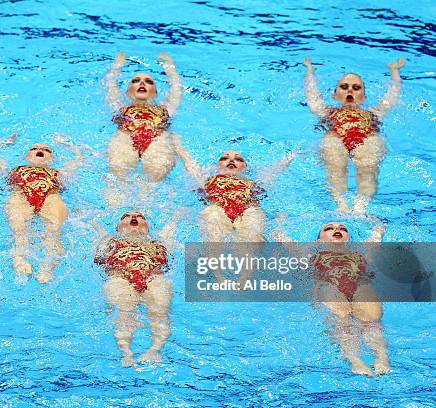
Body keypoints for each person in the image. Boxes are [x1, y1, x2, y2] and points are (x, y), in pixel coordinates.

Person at [273, 218, 390, 376]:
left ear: (348, 237)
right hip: (328, 286)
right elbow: (282, 238)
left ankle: (381, 357)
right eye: (329, 228)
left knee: (371, 322)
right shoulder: (308, 253)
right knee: (342, 321)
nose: (338, 229)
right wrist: (279, 222)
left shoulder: (361, 251)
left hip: (360, 285)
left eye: (343, 228)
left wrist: (376, 224)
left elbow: (377, 235)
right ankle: (354, 359)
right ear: (319, 239)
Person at [303, 57, 405, 213]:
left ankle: (360, 206)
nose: (350, 90)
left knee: (369, 155)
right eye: (344, 87)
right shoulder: (327, 112)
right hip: (336, 137)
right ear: (334, 95)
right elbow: (312, 96)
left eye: (356, 88)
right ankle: (341, 203)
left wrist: (394, 72)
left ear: (364, 97)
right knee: (332, 151)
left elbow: (391, 97)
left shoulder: (373, 113)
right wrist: (310, 72)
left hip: (366, 137)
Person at [0, 134, 82, 283]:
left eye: (46, 149)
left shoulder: (59, 173)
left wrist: (69, 145)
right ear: (26, 156)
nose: (40, 150)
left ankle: (46, 268)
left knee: (54, 231)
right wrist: (4, 142)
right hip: (20, 195)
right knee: (19, 228)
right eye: (34, 148)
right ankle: (19, 260)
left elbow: (78, 160)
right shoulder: (15, 170)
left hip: (51, 196)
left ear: (52, 158)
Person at [94, 211, 178, 367]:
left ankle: (154, 350)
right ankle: (126, 353)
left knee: (159, 309)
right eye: (125, 217)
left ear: (147, 226)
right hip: (119, 278)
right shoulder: (109, 240)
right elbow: (96, 242)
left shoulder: (158, 241)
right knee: (124, 310)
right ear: (117, 228)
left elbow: (172, 226)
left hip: (154, 278)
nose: (133, 218)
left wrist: (178, 215)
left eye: (141, 217)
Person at [174, 136, 295, 243]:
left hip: (247, 212)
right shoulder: (208, 179)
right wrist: (178, 146)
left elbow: (273, 172)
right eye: (224, 158)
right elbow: (190, 165)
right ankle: (215, 265)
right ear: (217, 166)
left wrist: (288, 159)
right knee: (213, 216)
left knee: (252, 223)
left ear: (246, 168)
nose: (231, 160)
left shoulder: (252, 183)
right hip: (217, 210)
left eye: (239, 159)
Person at [103, 52, 183, 206]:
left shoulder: (165, 108)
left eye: (148, 81)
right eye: (136, 80)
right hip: (125, 137)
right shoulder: (120, 106)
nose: (142, 83)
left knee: (154, 180)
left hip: (157, 138)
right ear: (127, 91)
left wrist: (169, 67)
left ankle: (147, 209)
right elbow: (110, 84)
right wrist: (117, 66)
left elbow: (176, 89)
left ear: (156, 92)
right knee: (117, 176)